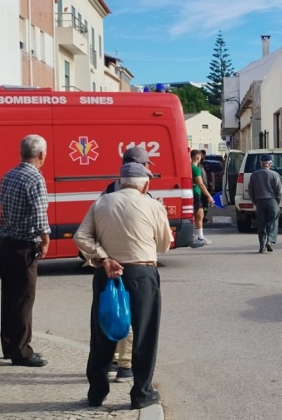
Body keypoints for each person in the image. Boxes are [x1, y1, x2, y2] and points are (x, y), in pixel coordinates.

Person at [74, 162, 173, 410]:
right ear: (145, 184)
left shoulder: (101, 202)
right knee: (145, 334)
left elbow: (80, 237)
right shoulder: (153, 205)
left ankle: (97, 392)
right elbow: (164, 245)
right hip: (142, 272)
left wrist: (104, 257)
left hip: (108, 273)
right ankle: (141, 393)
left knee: (102, 333)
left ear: (120, 181)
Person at [100, 147, 153, 383]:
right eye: (147, 164)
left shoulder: (107, 192)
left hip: (108, 263)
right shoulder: (144, 196)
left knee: (112, 312)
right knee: (128, 315)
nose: (149, 168)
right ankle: (125, 365)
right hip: (133, 264)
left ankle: (112, 360)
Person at [0, 134, 51, 368]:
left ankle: (9, 345)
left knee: (9, 296)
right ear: (41, 155)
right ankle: (22, 352)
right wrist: (45, 239)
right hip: (23, 247)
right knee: (24, 299)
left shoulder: (7, 176)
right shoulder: (35, 178)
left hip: (5, 243)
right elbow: (40, 214)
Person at [247, 154, 282, 253]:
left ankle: (262, 246)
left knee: (261, 224)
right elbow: (279, 191)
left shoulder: (254, 175)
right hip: (271, 200)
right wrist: (277, 202)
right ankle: (270, 240)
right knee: (273, 221)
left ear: (260, 163)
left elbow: (250, 190)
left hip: (259, 201)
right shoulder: (274, 174)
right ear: (270, 163)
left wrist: (254, 201)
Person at [191, 149, 214, 246]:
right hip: (195, 194)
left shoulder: (190, 167)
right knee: (200, 214)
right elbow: (200, 184)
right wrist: (209, 196)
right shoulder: (195, 169)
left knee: (196, 215)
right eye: (200, 156)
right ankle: (200, 237)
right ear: (198, 157)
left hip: (193, 194)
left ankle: (197, 236)